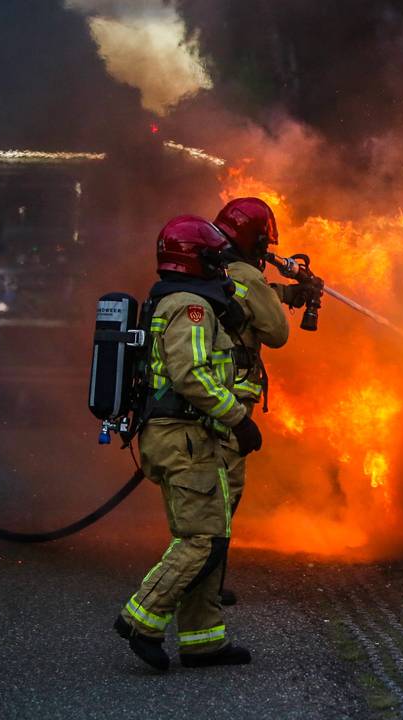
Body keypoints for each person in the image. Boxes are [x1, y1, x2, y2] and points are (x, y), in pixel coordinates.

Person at [113, 215, 263, 671]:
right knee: (201, 539)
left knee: (214, 537)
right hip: (184, 439)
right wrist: (239, 419)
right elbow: (191, 375)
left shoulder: (186, 301)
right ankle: (141, 618)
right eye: (214, 258)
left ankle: (203, 641)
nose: (221, 266)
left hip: (194, 437)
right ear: (193, 259)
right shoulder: (188, 307)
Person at [211, 197, 320, 606]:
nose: (266, 252)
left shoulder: (216, 268)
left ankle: (205, 578)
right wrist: (285, 300)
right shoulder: (244, 274)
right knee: (223, 494)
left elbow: (246, 300)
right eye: (264, 244)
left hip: (208, 399)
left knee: (211, 490)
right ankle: (205, 583)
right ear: (254, 241)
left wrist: (290, 294)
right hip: (230, 402)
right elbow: (275, 333)